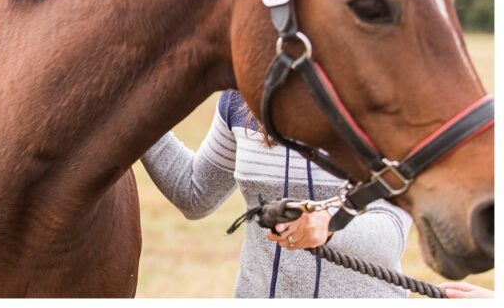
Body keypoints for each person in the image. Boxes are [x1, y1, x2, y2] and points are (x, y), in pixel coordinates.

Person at [141, 89, 413, 298]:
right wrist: (132, 111)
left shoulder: (384, 101)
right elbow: (195, 194)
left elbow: (392, 230)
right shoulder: (239, 98)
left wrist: (329, 225)